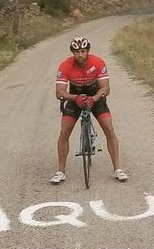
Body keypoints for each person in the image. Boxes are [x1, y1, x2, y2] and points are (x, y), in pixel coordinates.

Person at [50, 36, 128, 184]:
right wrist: (75, 98)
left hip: (95, 96)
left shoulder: (97, 62)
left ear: (88, 51)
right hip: (75, 98)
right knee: (64, 130)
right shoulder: (65, 65)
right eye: (77, 52)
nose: (80, 55)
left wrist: (95, 98)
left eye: (83, 51)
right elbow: (59, 92)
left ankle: (118, 169)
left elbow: (106, 88)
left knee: (108, 128)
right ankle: (60, 171)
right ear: (73, 53)